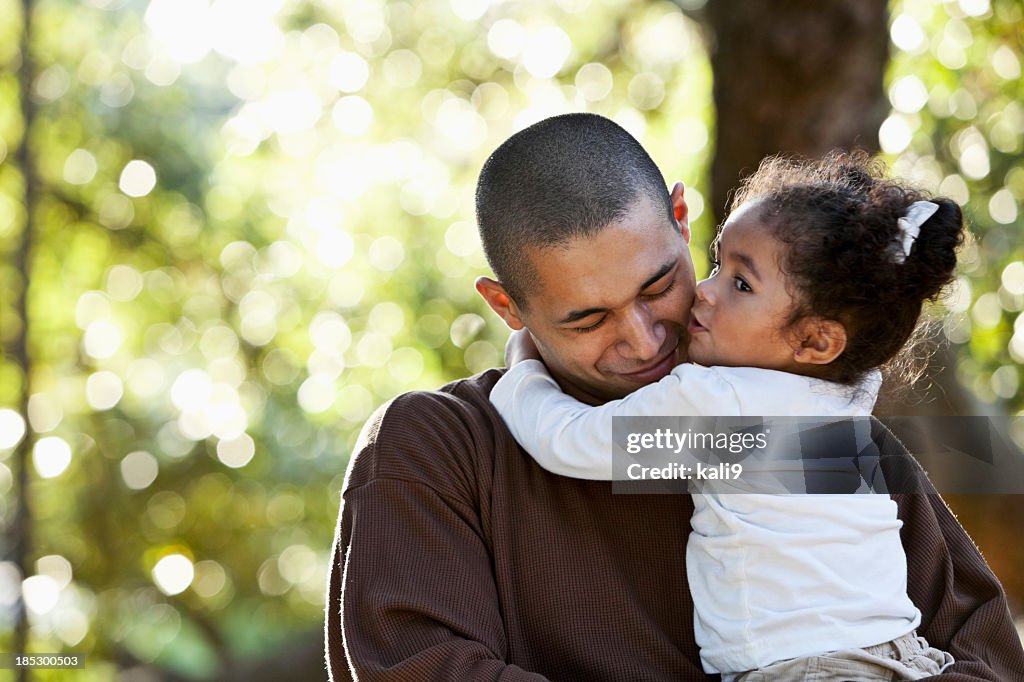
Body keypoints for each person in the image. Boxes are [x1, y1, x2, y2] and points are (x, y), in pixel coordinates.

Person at [324, 113, 1024, 681]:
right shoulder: (438, 448)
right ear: (508, 307)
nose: (644, 338)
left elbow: (986, 656)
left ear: (684, 219)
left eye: (658, 285)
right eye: (588, 319)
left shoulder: (814, 425)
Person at [489, 151, 962, 680]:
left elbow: (567, 441)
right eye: (718, 265)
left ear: (815, 340)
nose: (706, 293)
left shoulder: (721, 405)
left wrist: (522, 366)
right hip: (900, 652)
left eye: (741, 284)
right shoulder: (846, 403)